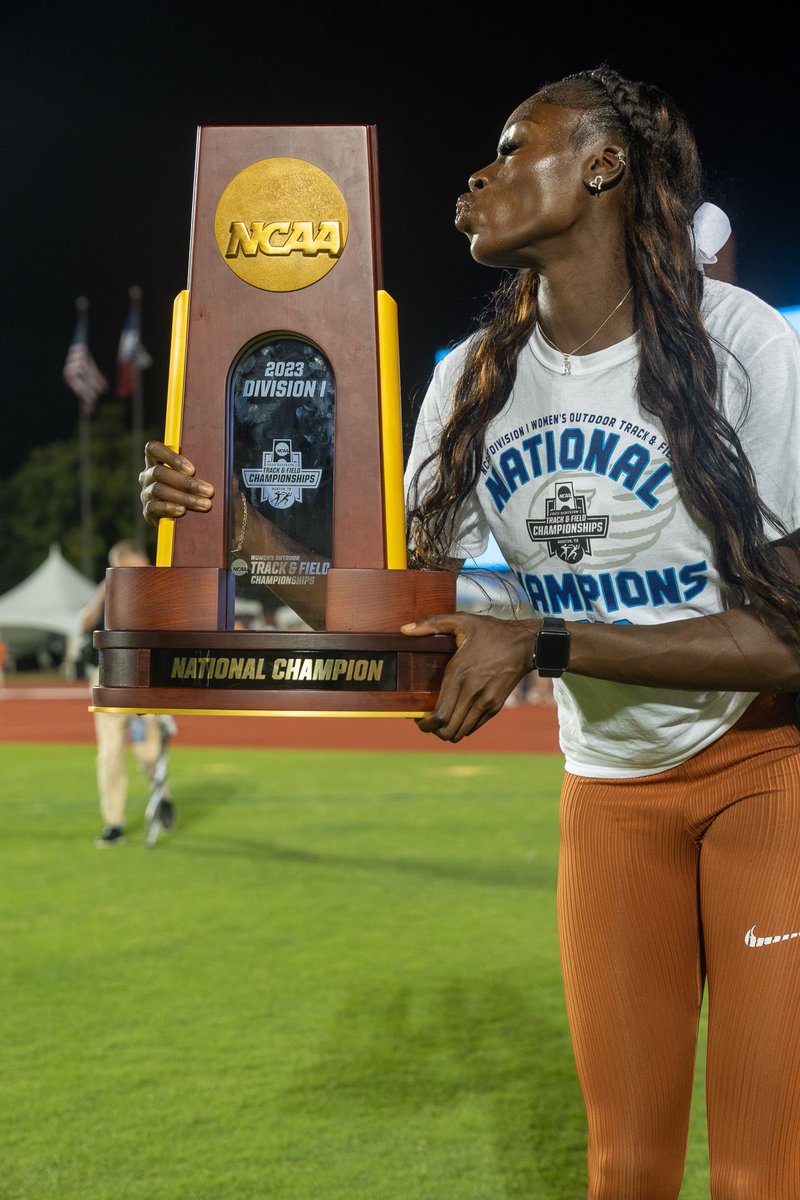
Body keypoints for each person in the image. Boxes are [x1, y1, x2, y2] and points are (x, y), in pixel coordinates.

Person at [139, 66, 800, 1197]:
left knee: (755, 1176)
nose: (479, 171)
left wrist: (541, 642)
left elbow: (789, 637)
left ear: (599, 163)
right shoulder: (466, 383)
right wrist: (231, 524)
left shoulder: (739, 338)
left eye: (511, 145)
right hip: (607, 790)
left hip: (765, 773)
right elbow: (396, 617)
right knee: (624, 1169)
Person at [80, 540, 176, 848]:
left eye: (145, 565)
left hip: (142, 678)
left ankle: (163, 796)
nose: (144, 570)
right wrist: (99, 598)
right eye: (136, 566)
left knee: (148, 752)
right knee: (109, 754)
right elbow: (82, 625)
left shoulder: (154, 592)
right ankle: (114, 822)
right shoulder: (107, 591)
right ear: (118, 567)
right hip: (108, 678)